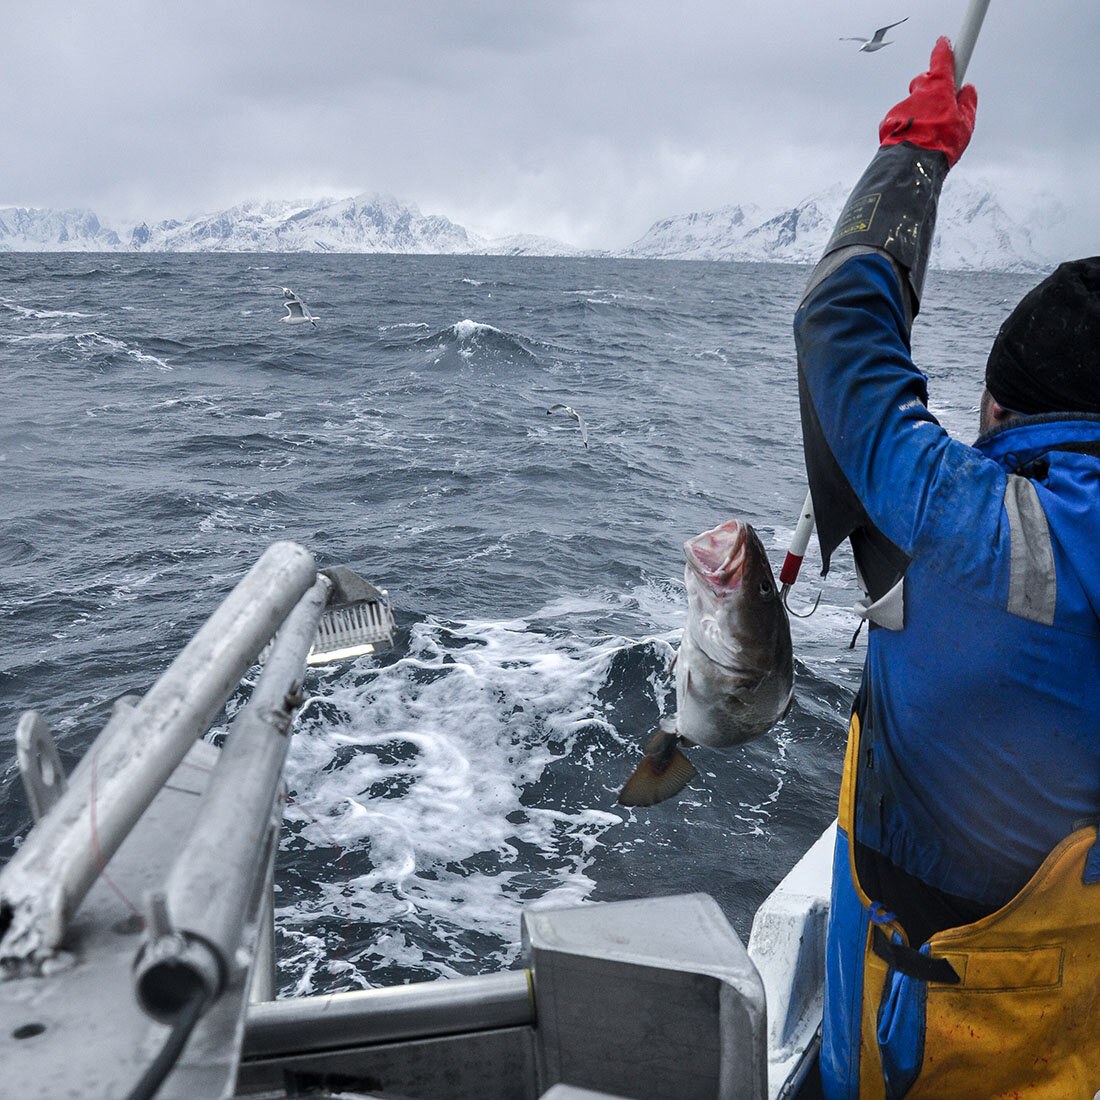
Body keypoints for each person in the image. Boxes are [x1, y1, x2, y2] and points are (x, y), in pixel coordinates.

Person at [794, 36, 1100, 1100]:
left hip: (928, 1037)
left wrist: (908, 161)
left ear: (999, 407)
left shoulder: (968, 519)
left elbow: (837, 325)